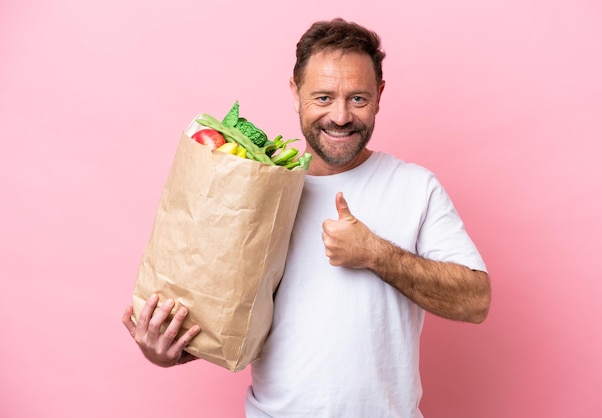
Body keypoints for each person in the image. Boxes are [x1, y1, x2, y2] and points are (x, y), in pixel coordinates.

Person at [123, 17, 491, 417]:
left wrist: (375, 253)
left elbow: (476, 301)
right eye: (323, 97)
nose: (340, 116)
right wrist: (166, 351)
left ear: (380, 95)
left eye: (358, 99)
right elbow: (229, 322)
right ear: (295, 92)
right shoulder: (253, 193)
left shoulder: (415, 187)